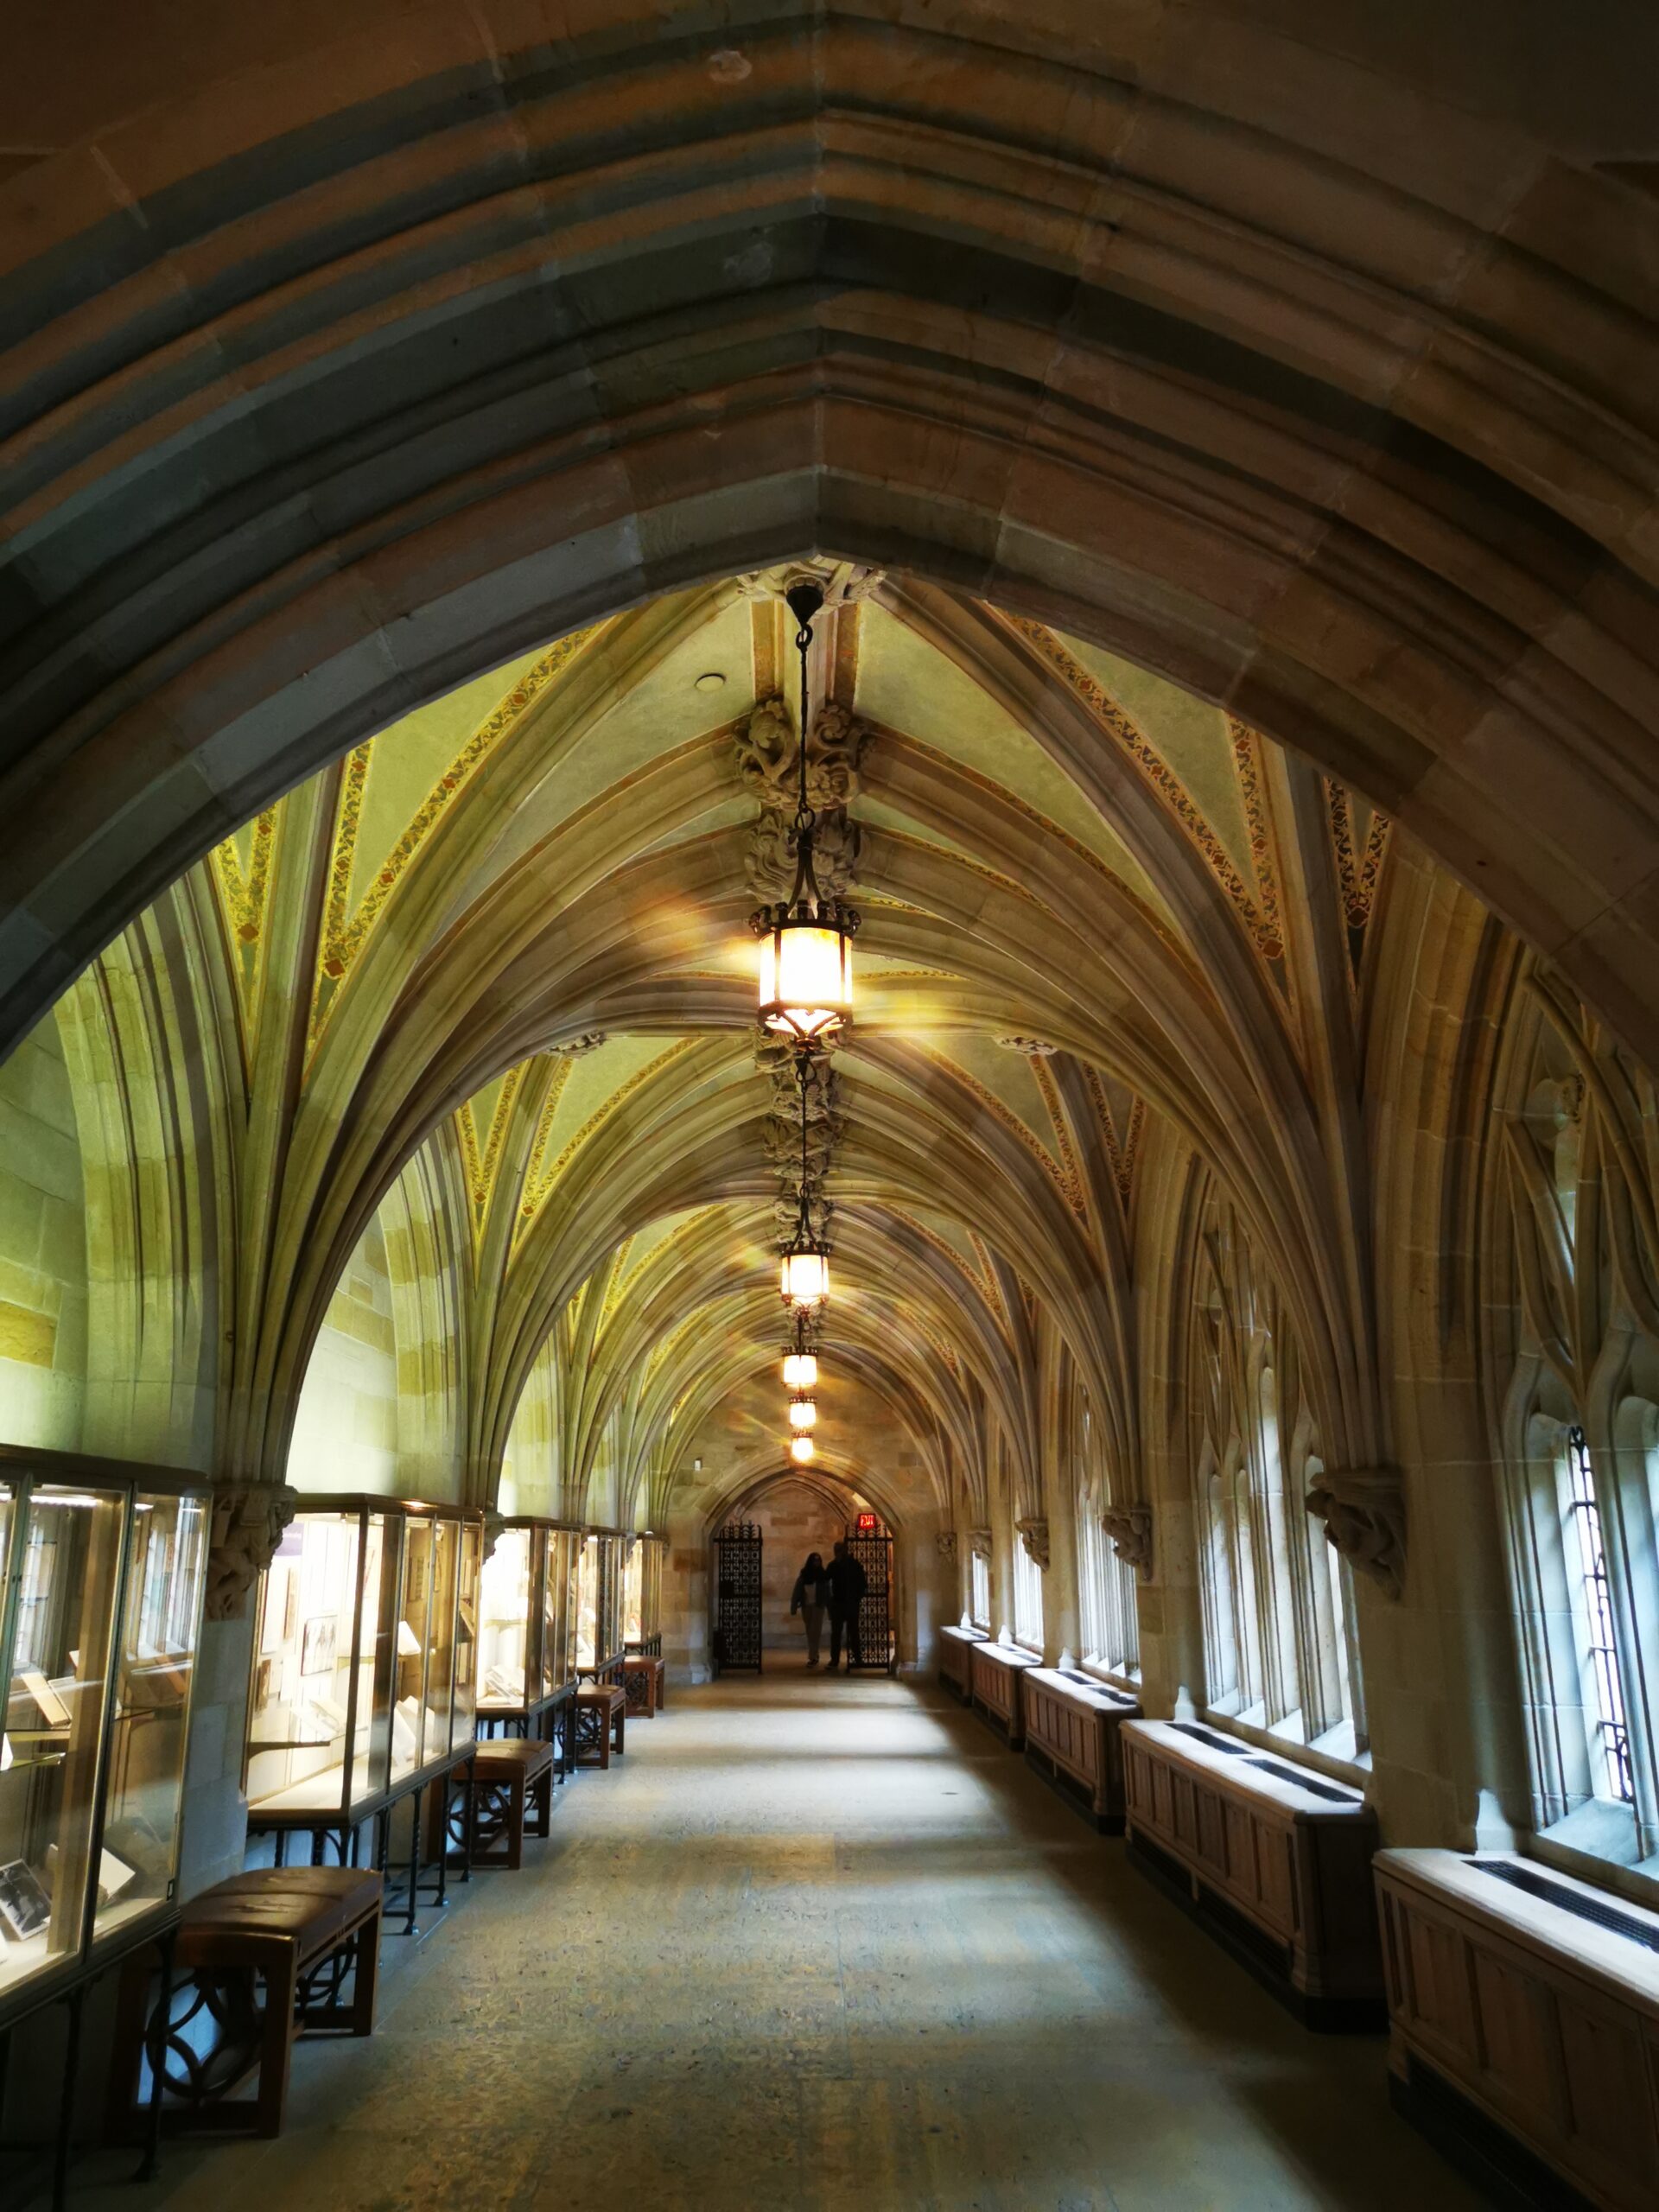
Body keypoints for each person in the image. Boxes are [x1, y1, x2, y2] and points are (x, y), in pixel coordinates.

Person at [824, 1538, 868, 1672]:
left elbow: (862, 1582)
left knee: (846, 1632)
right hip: (844, 1603)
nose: (837, 1552)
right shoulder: (843, 1565)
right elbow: (826, 1578)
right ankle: (852, 1659)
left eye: (838, 1550)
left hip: (845, 1603)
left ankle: (845, 1659)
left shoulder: (847, 1564)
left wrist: (857, 1597)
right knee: (845, 1633)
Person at [790, 1550, 830, 1668]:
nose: (817, 1563)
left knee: (815, 1632)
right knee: (809, 1631)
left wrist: (830, 1608)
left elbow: (827, 1593)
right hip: (806, 1606)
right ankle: (814, 1655)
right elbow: (797, 1591)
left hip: (818, 1606)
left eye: (818, 1560)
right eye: (815, 1560)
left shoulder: (823, 1575)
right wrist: (793, 1607)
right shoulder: (804, 1575)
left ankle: (813, 1656)